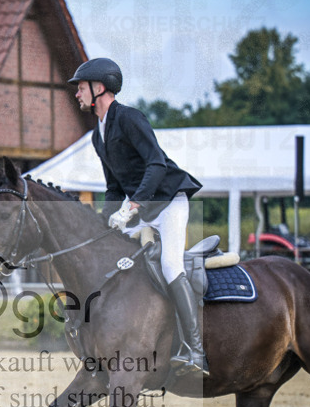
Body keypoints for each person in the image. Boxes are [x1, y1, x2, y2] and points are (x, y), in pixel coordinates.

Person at [69, 57, 207, 377]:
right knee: (121, 262)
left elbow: (156, 164)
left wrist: (133, 208)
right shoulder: (97, 134)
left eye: (80, 87)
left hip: (168, 202)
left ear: (99, 88)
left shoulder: (130, 118)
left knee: (171, 266)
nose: (77, 93)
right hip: (142, 210)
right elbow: (114, 186)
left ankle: (196, 350)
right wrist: (103, 221)